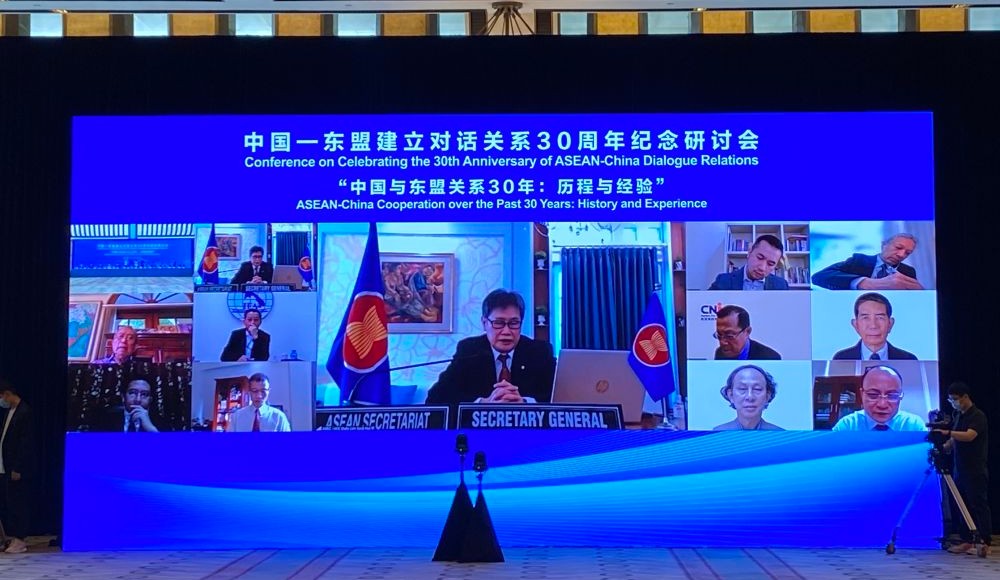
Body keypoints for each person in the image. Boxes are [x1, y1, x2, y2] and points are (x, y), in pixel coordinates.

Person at [425, 289, 556, 410]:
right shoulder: (469, 351)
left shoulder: (539, 352)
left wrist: (525, 403)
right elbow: (436, 399)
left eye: (514, 323)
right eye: (498, 323)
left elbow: (558, 396)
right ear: (484, 323)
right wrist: (482, 403)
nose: (506, 331)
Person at [935, 382, 991, 556]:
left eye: (955, 399)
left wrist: (948, 433)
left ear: (965, 397)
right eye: (950, 400)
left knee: (978, 504)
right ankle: (967, 540)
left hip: (975, 468)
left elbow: (969, 435)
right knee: (962, 505)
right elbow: (956, 437)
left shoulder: (977, 415)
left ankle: (984, 541)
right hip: (959, 468)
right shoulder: (959, 415)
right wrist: (945, 446)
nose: (953, 403)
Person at [812, 233, 923, 290]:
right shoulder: (859, 260)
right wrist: (864, 283)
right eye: (898, 247)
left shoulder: (908, 272)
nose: (901, 255)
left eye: (907, 253)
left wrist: (922, 293)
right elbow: (818, 277)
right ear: (884, 245)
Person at [831, 365, 925, 431]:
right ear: (862, 394)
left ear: (901, 396)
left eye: (892, 395)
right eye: (873, 395)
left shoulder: (914, 425)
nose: (882, 405)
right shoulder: (847, 425)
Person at [832, 293, 916, 360]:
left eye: (880, 317)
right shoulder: (840, 359)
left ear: (890, 324)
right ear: (856, 325)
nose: (873, 326)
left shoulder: (909, 359)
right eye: (865, 318)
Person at [0, 379, 33, 554]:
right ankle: (12, 537)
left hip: (15, 467)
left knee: (18, 503)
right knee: (10, 502)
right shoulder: (9, 411)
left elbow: (25, 444)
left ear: (7, 394)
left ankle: (20, 539)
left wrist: (18, 467)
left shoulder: (24, 412)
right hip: (5, 464)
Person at [713, 365, 784, 431]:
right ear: (731, 395)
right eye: (742, 389)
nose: (750, 397)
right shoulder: (717, 434)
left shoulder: (780, 435)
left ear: (767, 396)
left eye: (757, 389)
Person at [709, 234, 789, 291]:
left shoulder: (781, 286)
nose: (762, 268)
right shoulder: (722, 281)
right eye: (760, 258)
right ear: (749, 252)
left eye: (770, 264)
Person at [94, 378, 164, 432]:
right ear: (123, 397)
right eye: (132, 393)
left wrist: (151, 429)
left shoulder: (160, 422)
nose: (138, 400)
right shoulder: (105, 420)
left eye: (144, 394)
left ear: (150, 400)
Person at [713, 305, 781, 360]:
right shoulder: (720, 353)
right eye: (719, 335)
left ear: (747, 331)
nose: (723, 342)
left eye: (729, 336)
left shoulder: (770, 357)